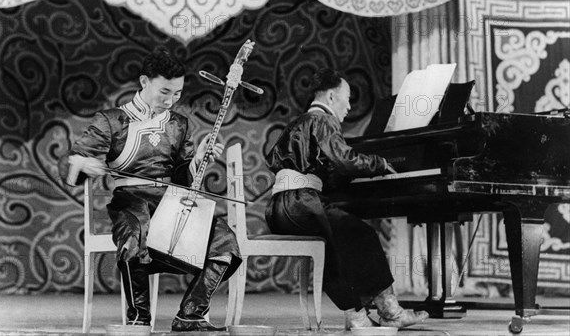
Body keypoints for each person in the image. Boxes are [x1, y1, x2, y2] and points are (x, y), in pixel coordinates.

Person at [58, 47, 241, 332]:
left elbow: (182, 180)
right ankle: (138, 319)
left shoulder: (180, 125)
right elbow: (71, 162)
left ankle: (191, 313)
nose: (171, 101)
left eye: (178, 94)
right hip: (131, 202)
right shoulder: (111, 120)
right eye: (164, 92)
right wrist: (84, 163)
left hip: (171, 201)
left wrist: (197, 160)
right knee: (134, 233)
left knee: (225, 242)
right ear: (144, 82)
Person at [265, 68, 429, 329]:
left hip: (279, 209)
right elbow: (344, 159)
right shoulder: (323, 120)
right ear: (331, 97)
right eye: (347, 98)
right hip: (301, 204)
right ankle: (386, 311)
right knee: (360, 234)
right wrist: (379, 163)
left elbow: (307, 167)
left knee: (347, 235)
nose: (349, 107)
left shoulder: (299, 122)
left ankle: (364, 315)